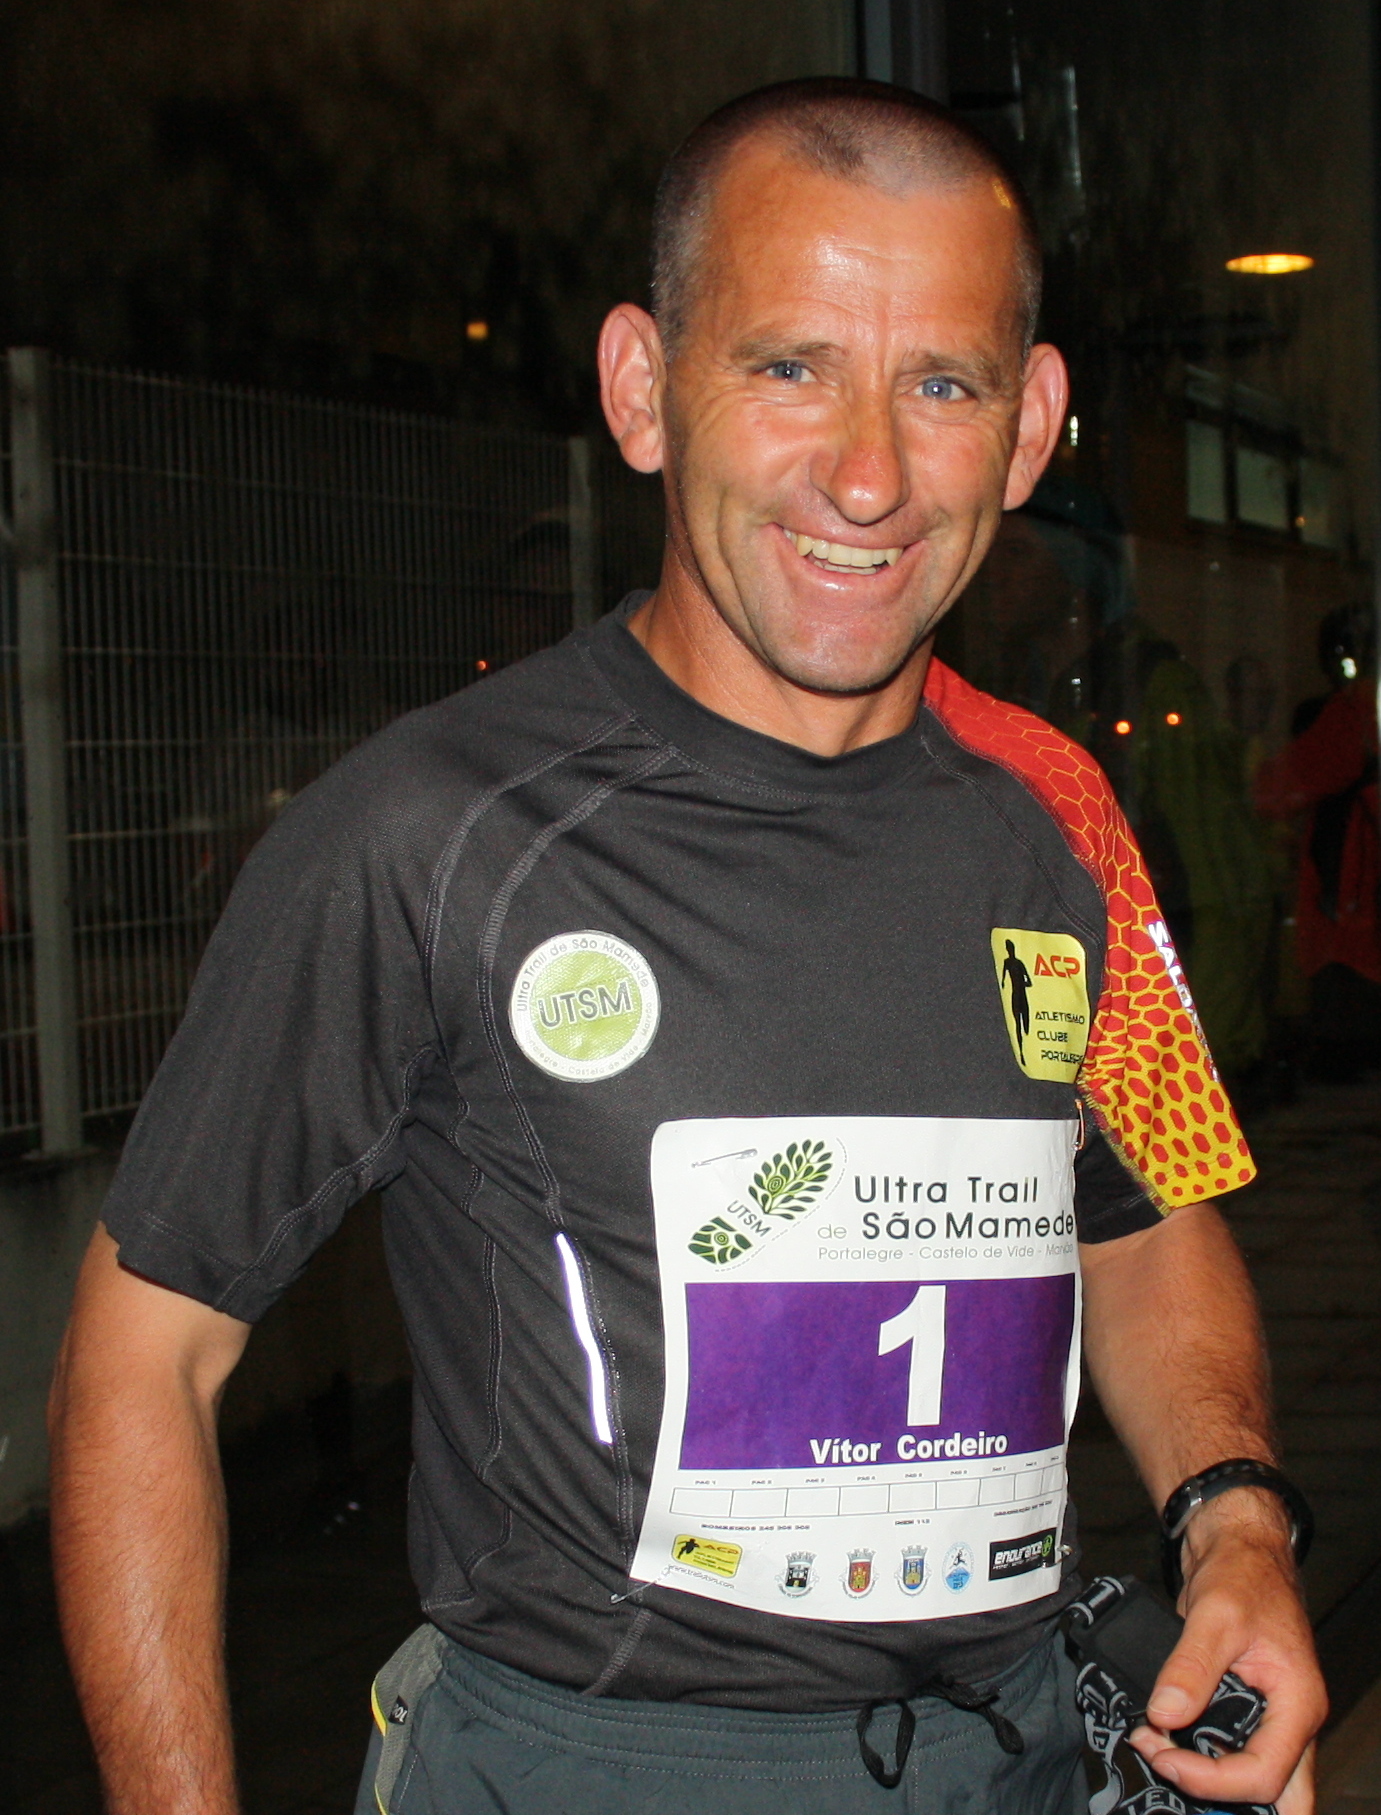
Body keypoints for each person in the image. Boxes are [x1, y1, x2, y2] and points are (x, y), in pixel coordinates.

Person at [47, 78, 1324, 1815]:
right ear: (642, 390)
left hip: (1017, 1754)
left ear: (1029, 429)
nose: (866, 475)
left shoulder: (1060, 820)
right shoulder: (425, 836)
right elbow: (141, 1354)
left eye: (939, 386)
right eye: (788, 366)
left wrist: (1234, 1525)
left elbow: (1148, 1223)